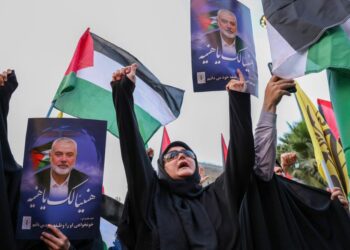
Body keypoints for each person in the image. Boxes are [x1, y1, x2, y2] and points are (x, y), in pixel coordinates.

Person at [111, 63, 255, 249]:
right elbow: (132, 148)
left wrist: (238, 99)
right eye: (171, 156)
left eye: (187, 153)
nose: (181, 157)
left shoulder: (218, 195)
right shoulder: (152, 197)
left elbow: (243, 157)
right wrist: (123, 94)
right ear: (161, 168)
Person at [193, 9, 258, 94]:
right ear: (218, 23)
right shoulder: (204, 44)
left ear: (236, 27)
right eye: (224, 21)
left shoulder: (246, 48)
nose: (229, 26)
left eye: (232, 23)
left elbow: (253, 81)